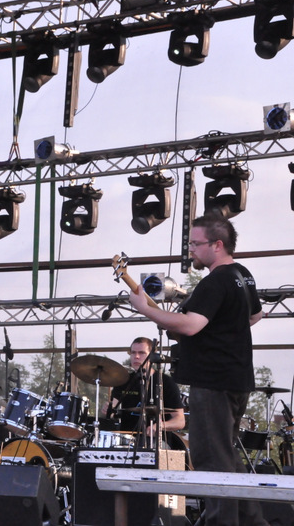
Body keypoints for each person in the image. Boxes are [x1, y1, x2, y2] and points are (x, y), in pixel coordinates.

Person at [128, 214, 268, 526]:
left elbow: (190, 325)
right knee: (227, 455)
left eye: (195, 243)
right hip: (237, 378)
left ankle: (222, 522)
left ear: (217, 245)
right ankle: (253, 521)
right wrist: (221, 330)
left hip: (213, 381)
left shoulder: (215, 281)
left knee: (211, 458)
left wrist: (146, 309)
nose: (190, 249)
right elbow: (255, 315)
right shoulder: (243, 275)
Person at [107, 337, 185, 443]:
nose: (136, 356)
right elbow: (113, 411)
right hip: (124, 440)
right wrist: (108, 410)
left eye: (142, 353)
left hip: (157, 442)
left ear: (152, 356)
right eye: (133, 353)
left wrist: (161, 425)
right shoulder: (122, 381)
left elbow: (180, 421)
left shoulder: (166, 382)